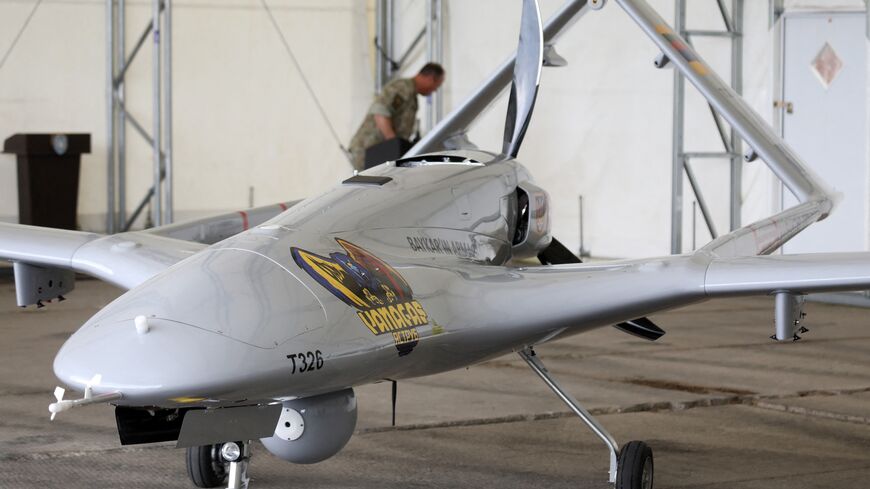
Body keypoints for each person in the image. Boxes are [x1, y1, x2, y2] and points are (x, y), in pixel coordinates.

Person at [348, 63, 445, 170]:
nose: (434, 90)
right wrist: (393, 146)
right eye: (437, 86)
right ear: (431, 79)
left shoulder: (412, 96)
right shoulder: (403, 88)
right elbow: (380, 112)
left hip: (379, 154)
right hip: (369, 151)